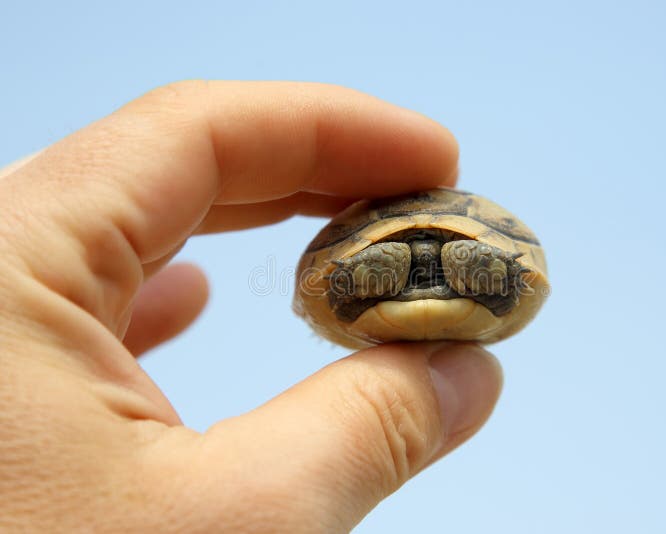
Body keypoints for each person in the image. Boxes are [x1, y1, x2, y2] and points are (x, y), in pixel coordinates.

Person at [0, 81, 503, 532]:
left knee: (454, 256)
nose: (423, 260)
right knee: (406, 258)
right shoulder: (400, 262)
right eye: (408, 256)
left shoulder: (463, 258)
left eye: (434, 255)